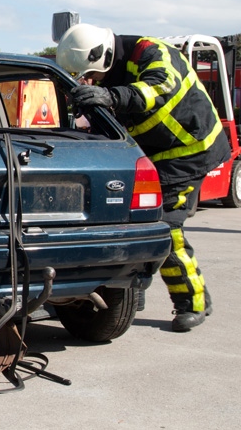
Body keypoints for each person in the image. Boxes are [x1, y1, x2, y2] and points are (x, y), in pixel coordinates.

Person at [56, 23, 231, 332]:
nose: (91, 80)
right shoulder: (110, 73)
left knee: (165, 228)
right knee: (130, 224)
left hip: (189, 152)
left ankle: (193, 302)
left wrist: (109, 96)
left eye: (92, 75)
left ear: (102, 56)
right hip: (152, 156)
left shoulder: (150, 51)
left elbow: (158, 88)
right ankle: (132, 289)